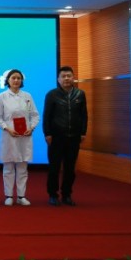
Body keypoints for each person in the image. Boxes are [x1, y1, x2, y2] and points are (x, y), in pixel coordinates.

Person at [0, 69, 40, 206]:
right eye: (13, 78)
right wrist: (7, 128)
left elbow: (35, 115)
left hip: (24, 136)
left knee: (22, 167)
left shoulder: (27, 96)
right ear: (8, 80)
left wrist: (31, 127)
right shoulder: (2, 96)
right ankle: (8, 195)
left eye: (18, 78)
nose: (16, 80)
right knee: (8, 167)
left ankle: (21, 196)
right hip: (9, 136)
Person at [43, 66, 88, 206]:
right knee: (54, 168)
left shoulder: (80, 94)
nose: (66, 78)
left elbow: (84, 115)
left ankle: (67, 194)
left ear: (73, 77)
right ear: (58, 79)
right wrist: (47, 133)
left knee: (70, 168)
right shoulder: (52, 94)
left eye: (69, 76)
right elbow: (46, 116)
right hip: (56, 137)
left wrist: (83, 132)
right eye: (63, 76)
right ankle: (53, 195)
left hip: (74, 137)